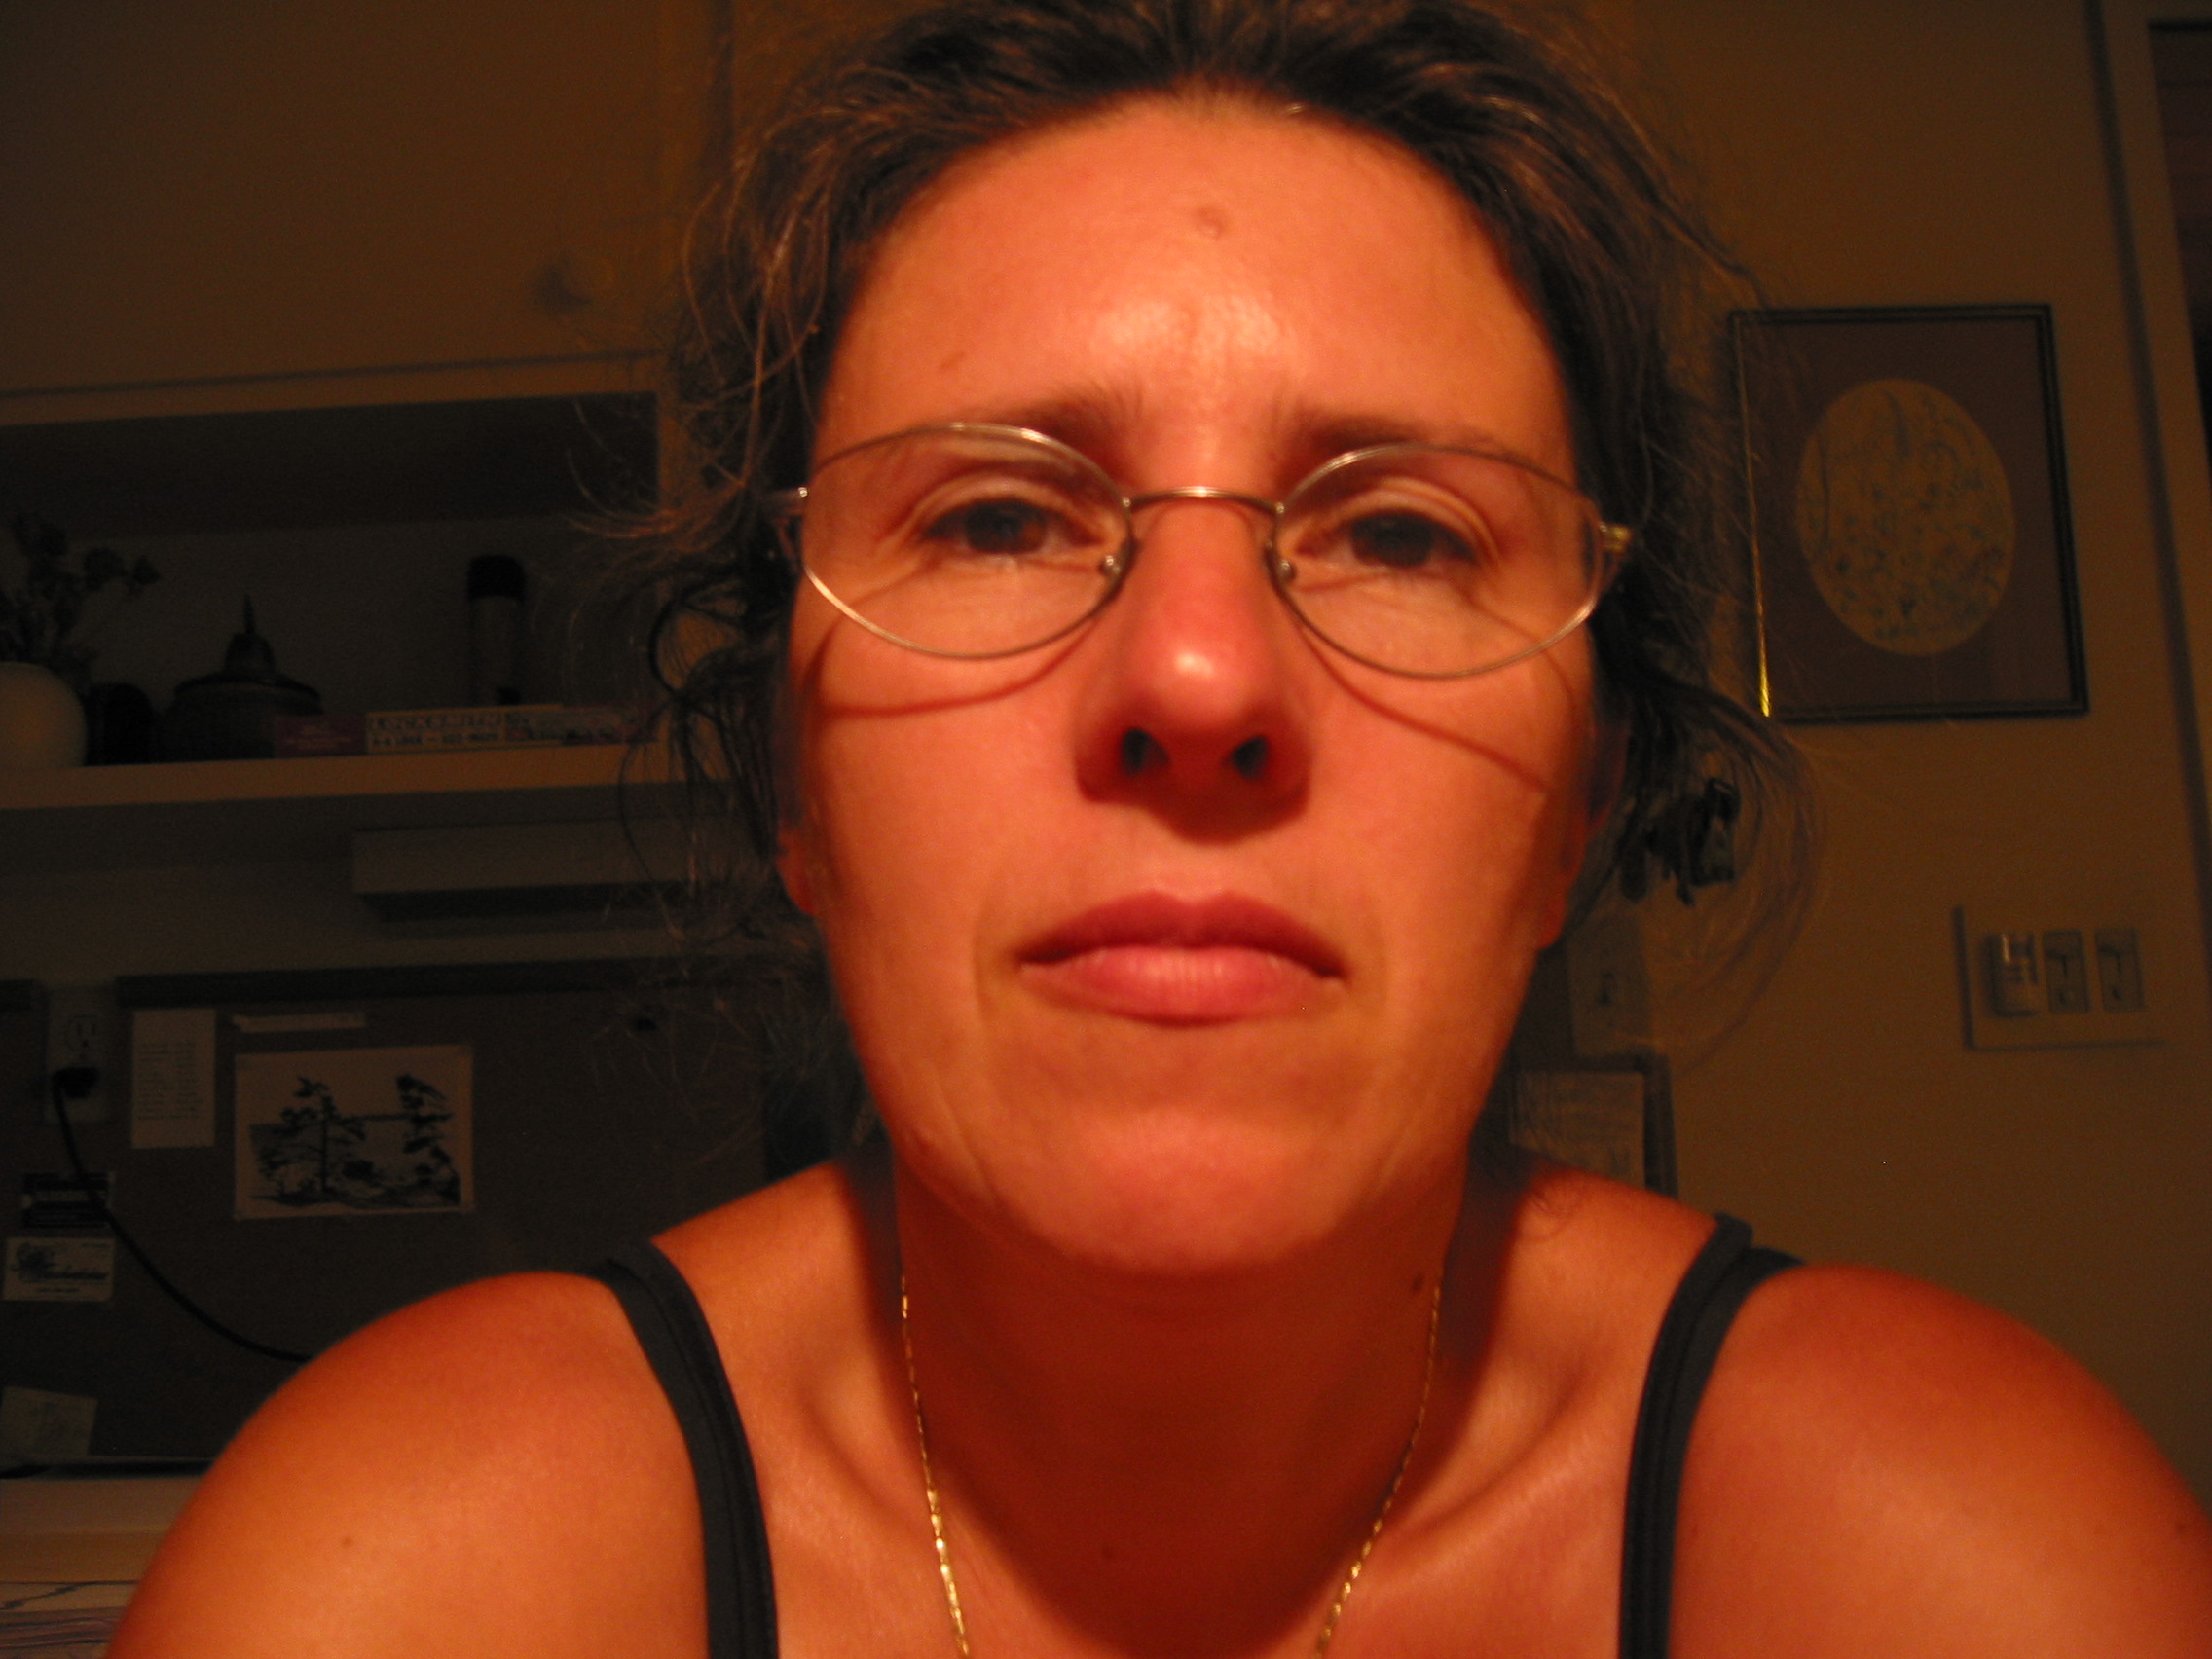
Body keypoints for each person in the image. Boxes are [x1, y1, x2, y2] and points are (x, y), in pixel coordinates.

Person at [113, 2, 2212, 1655]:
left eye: (1403, 533)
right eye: (994, 518)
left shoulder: (1955, 1568)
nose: (1199, 676)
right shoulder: (406, 1577)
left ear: (1580, 804)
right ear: (787, 780)